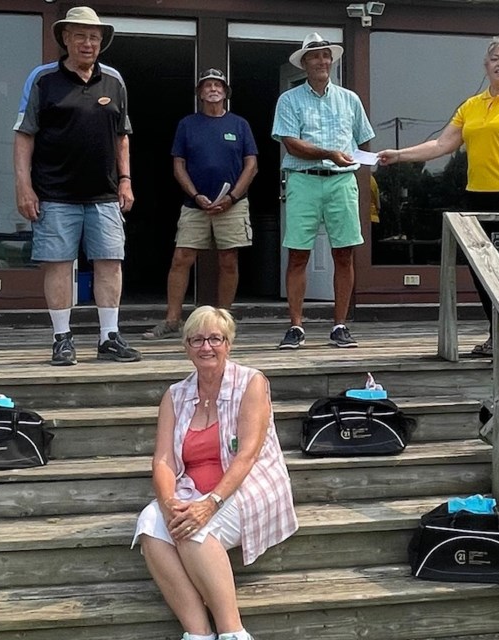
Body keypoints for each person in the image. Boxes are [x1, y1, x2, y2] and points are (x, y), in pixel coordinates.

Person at [132, 306, 298, 640]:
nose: (207, 347)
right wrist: (167, 502)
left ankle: (232, 631)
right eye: (197, 340)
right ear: (186, 347)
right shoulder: (175, 395)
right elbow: (163, 460)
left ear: (229, 344)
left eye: (215, 339)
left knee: (194, 527)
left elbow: (248, 455)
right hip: (192, 487)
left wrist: (211, 503)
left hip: (248, 486)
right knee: (151, 525)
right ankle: (198, 633)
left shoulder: (251, 382)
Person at [378, 36, 499, 357]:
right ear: (485, 66)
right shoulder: (470, 106)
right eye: (495, 58)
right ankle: (496, 336)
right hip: (477, 199)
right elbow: (441, 145)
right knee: (482, 273)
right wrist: (398, 155)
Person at [13, 6, 141, 366]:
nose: (88, 43)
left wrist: (126, 180)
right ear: (65, 38)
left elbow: (122, 136)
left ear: (102, 42)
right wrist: (24, 186)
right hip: (54, 192)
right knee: (57, 264)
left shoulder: (114, 80)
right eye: (80, 36)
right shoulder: (42, 79)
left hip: (104, 192)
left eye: (94, 37)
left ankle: (108, 337)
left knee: (110, 262)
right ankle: (61, 338)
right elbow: (24, 136)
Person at [271, 32, 375, 350]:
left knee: (344, 254)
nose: (322, 61)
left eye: (326, 55)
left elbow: (362, 141)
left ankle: (340, 325)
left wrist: (357, 162)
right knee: (298, 254)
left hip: (343, 181)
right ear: (304, 63)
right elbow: (291, 143)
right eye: (315, 56)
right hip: (303, 179)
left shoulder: (350, 99)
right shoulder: (289, 99)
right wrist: (329, 153)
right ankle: (296, 327)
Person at [143, 69, 259, 341]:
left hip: (233, 204)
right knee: (181, 258)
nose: (213, 89)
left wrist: (231, 198)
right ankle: (172, 320)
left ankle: (223, 322)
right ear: (199, 93)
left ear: (225, 92)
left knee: (228, 260)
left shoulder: (239, 124)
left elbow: (251, 165)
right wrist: (196, 196)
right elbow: (178, 165)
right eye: (207, 85)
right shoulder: (187, 124)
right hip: (194, 204)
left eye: (218, 85)